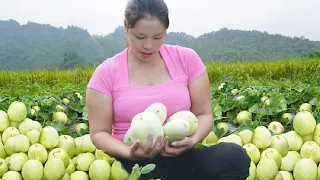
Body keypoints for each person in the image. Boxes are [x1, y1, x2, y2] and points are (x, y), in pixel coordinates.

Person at [86, 0, 251, 179]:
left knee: (234, 157)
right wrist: (128, 152)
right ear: (126, 27)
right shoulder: (106, 73)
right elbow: (98, 133)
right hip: (132, 165)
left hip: (182, 156)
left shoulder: (187, 59)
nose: (149, 46)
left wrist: (192, 141)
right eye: (140, 37)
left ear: (166, 30)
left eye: (158, 37)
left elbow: (204, 114)